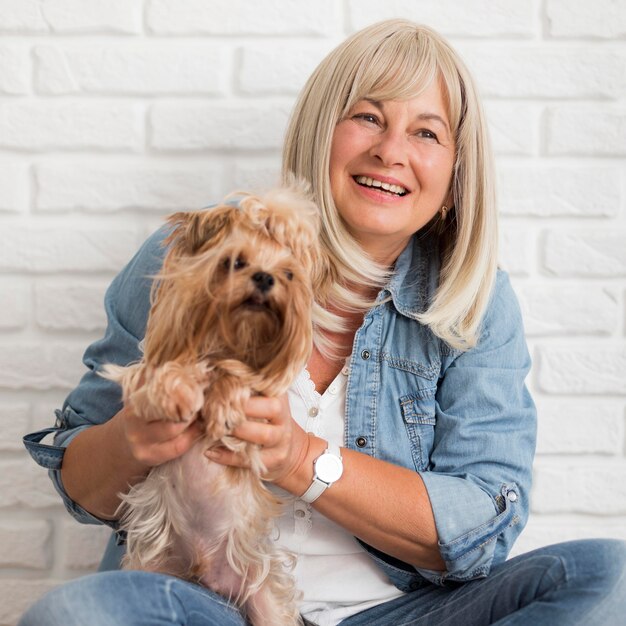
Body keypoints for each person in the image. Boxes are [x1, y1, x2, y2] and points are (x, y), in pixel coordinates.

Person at [21, 18, 626, 626]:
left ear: (453, 178)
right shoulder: (201, 251)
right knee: (77, 614)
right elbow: (80, 484)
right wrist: (133, 437)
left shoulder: (474, 302)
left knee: (611, 579)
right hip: (205, 601)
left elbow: (481, 527)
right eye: (367, 116)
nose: (390, 151)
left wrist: (299, 457)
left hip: (399, 614)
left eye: (425, 132)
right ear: (320, 131)